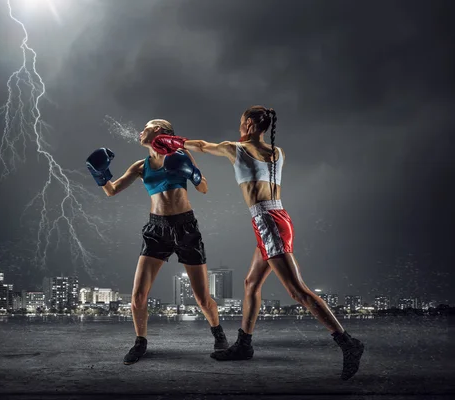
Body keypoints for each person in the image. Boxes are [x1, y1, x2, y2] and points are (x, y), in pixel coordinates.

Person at [150, 106, 364, 380]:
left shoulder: (235, 148)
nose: (239, 127)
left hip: (267, 221)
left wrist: (175, 141)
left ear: (249, 124)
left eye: (241, 123)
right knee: (252, 283)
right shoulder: (277, 152)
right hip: (278, 217)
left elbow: (202, 146)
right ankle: (244, 344)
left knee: (298, 291)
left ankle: (348, 343)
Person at [86, 119, 228, 365]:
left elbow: (203, 188)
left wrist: (192, 173)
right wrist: (100, 174)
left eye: (148, 126)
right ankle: (140, 342)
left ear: (162, 132)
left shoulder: (180, 155)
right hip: (156, 230)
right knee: (138, 296)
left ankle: (219, 333)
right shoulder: (140, 166)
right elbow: (111, 190)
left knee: (202, 298)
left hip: (186, 228)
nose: (142, 130)